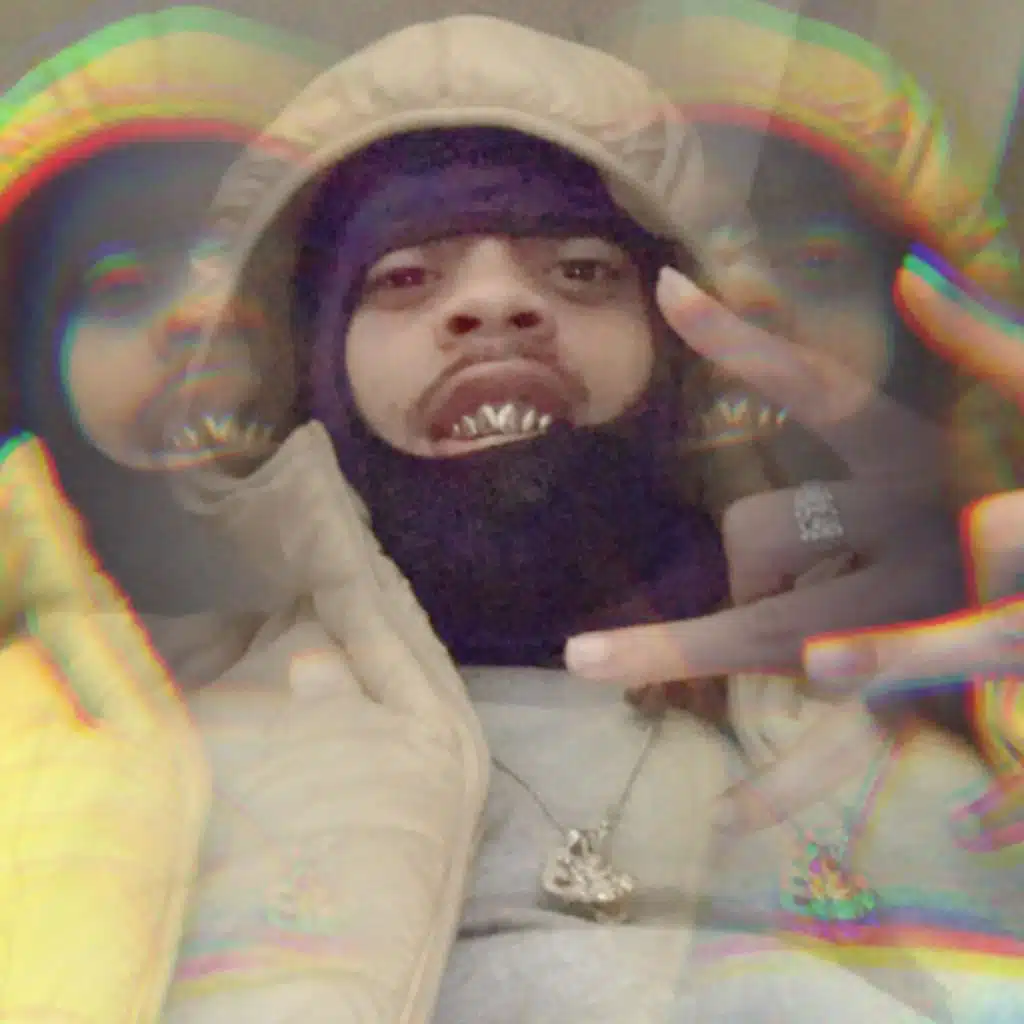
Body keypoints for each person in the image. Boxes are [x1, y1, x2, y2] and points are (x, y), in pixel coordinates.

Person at [4, 9, 1021, 1024]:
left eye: (582, 270)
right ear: (311, 376)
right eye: (405, 277)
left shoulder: (910, 730)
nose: (493, 303)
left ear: (678, 351)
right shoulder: (129, 772)